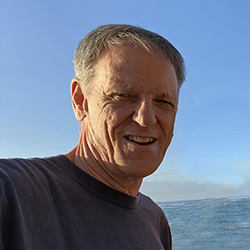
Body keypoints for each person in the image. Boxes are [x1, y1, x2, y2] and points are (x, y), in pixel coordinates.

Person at [0, 24, 186, 250]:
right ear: (80, 101)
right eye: (122, 95)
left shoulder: (155, 220)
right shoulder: (11, 194)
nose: (145, 118)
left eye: (164, 102)